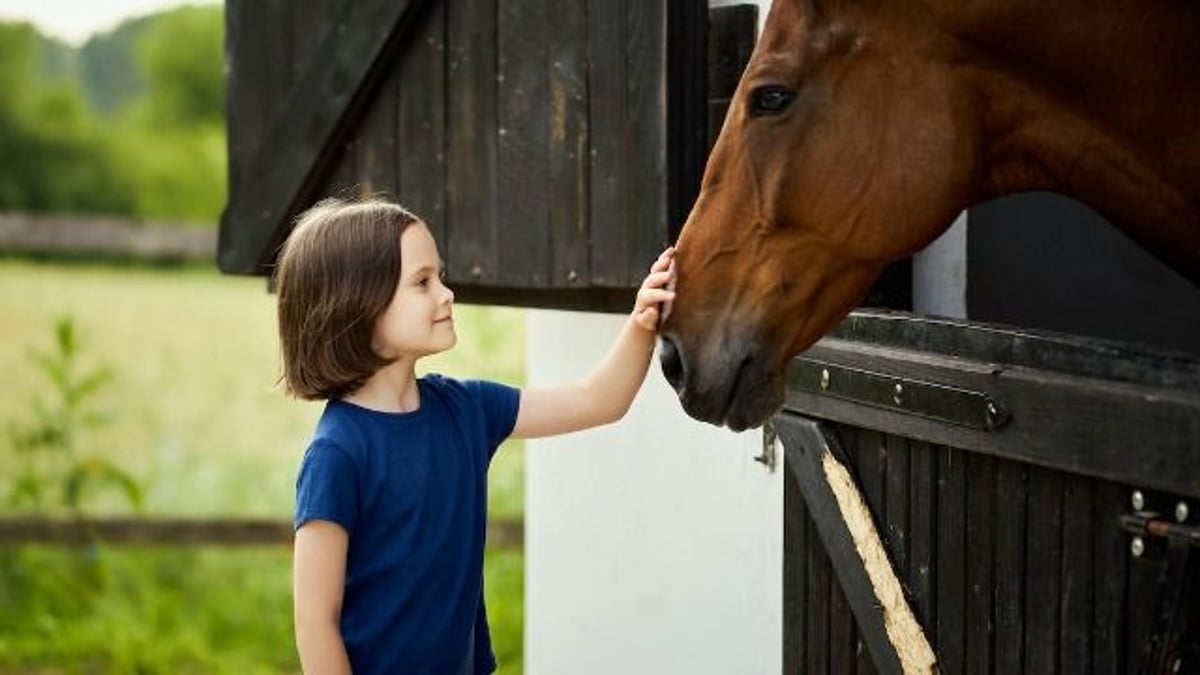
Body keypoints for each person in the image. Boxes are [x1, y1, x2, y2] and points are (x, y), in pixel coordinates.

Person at [276, 197, 675, 674]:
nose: (446, 294)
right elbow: (315, 623)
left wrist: (642, 322)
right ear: (358, 305)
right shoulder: (337, 454)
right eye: (422, 282)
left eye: (439, 277)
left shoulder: (467, 410)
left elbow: (598, 400)